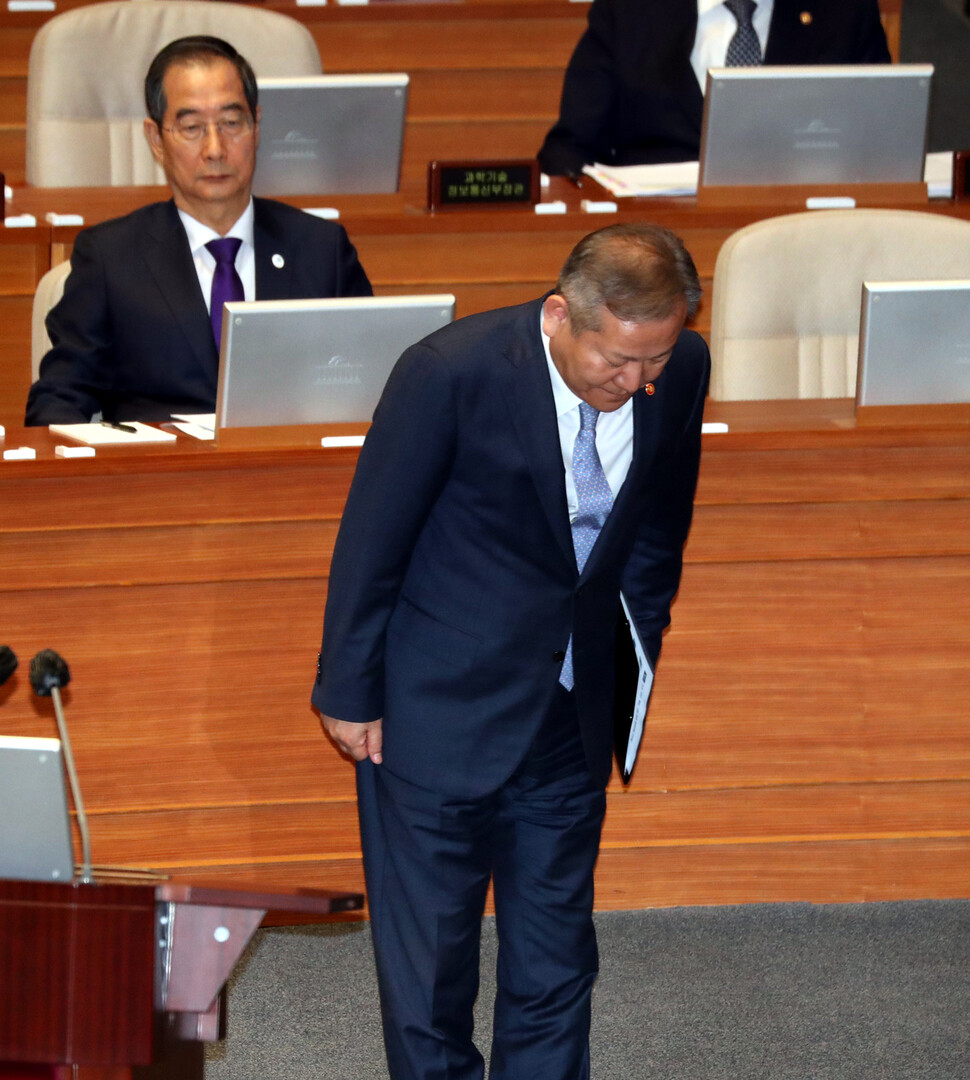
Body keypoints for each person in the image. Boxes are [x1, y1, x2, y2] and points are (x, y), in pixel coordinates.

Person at [312, 222, 710, 1080]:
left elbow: (660, 526)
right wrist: (349, 689)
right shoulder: (449, 373)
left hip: (570, 715)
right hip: (436, 713)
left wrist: (636, 640)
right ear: (562, 313)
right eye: (618, 361)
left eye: (657, 362)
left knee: (558, 961)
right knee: (431, 978)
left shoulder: (681, 373)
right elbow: (373, 539)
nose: (638, 384)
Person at [25, 35, 372, 426]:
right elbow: (59, 399)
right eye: (191, 127)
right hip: (161, 479)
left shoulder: (321, 249)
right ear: (156, 140)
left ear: (256, 125)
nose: (215, 148)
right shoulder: (110, 258)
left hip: (292, 477)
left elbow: (371, 385)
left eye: (230, 122)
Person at [538, 0, 893, 176]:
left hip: (806, 228)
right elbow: (569, 148)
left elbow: (883, 143)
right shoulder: (631, 10)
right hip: (654, 242)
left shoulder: (844, 11)